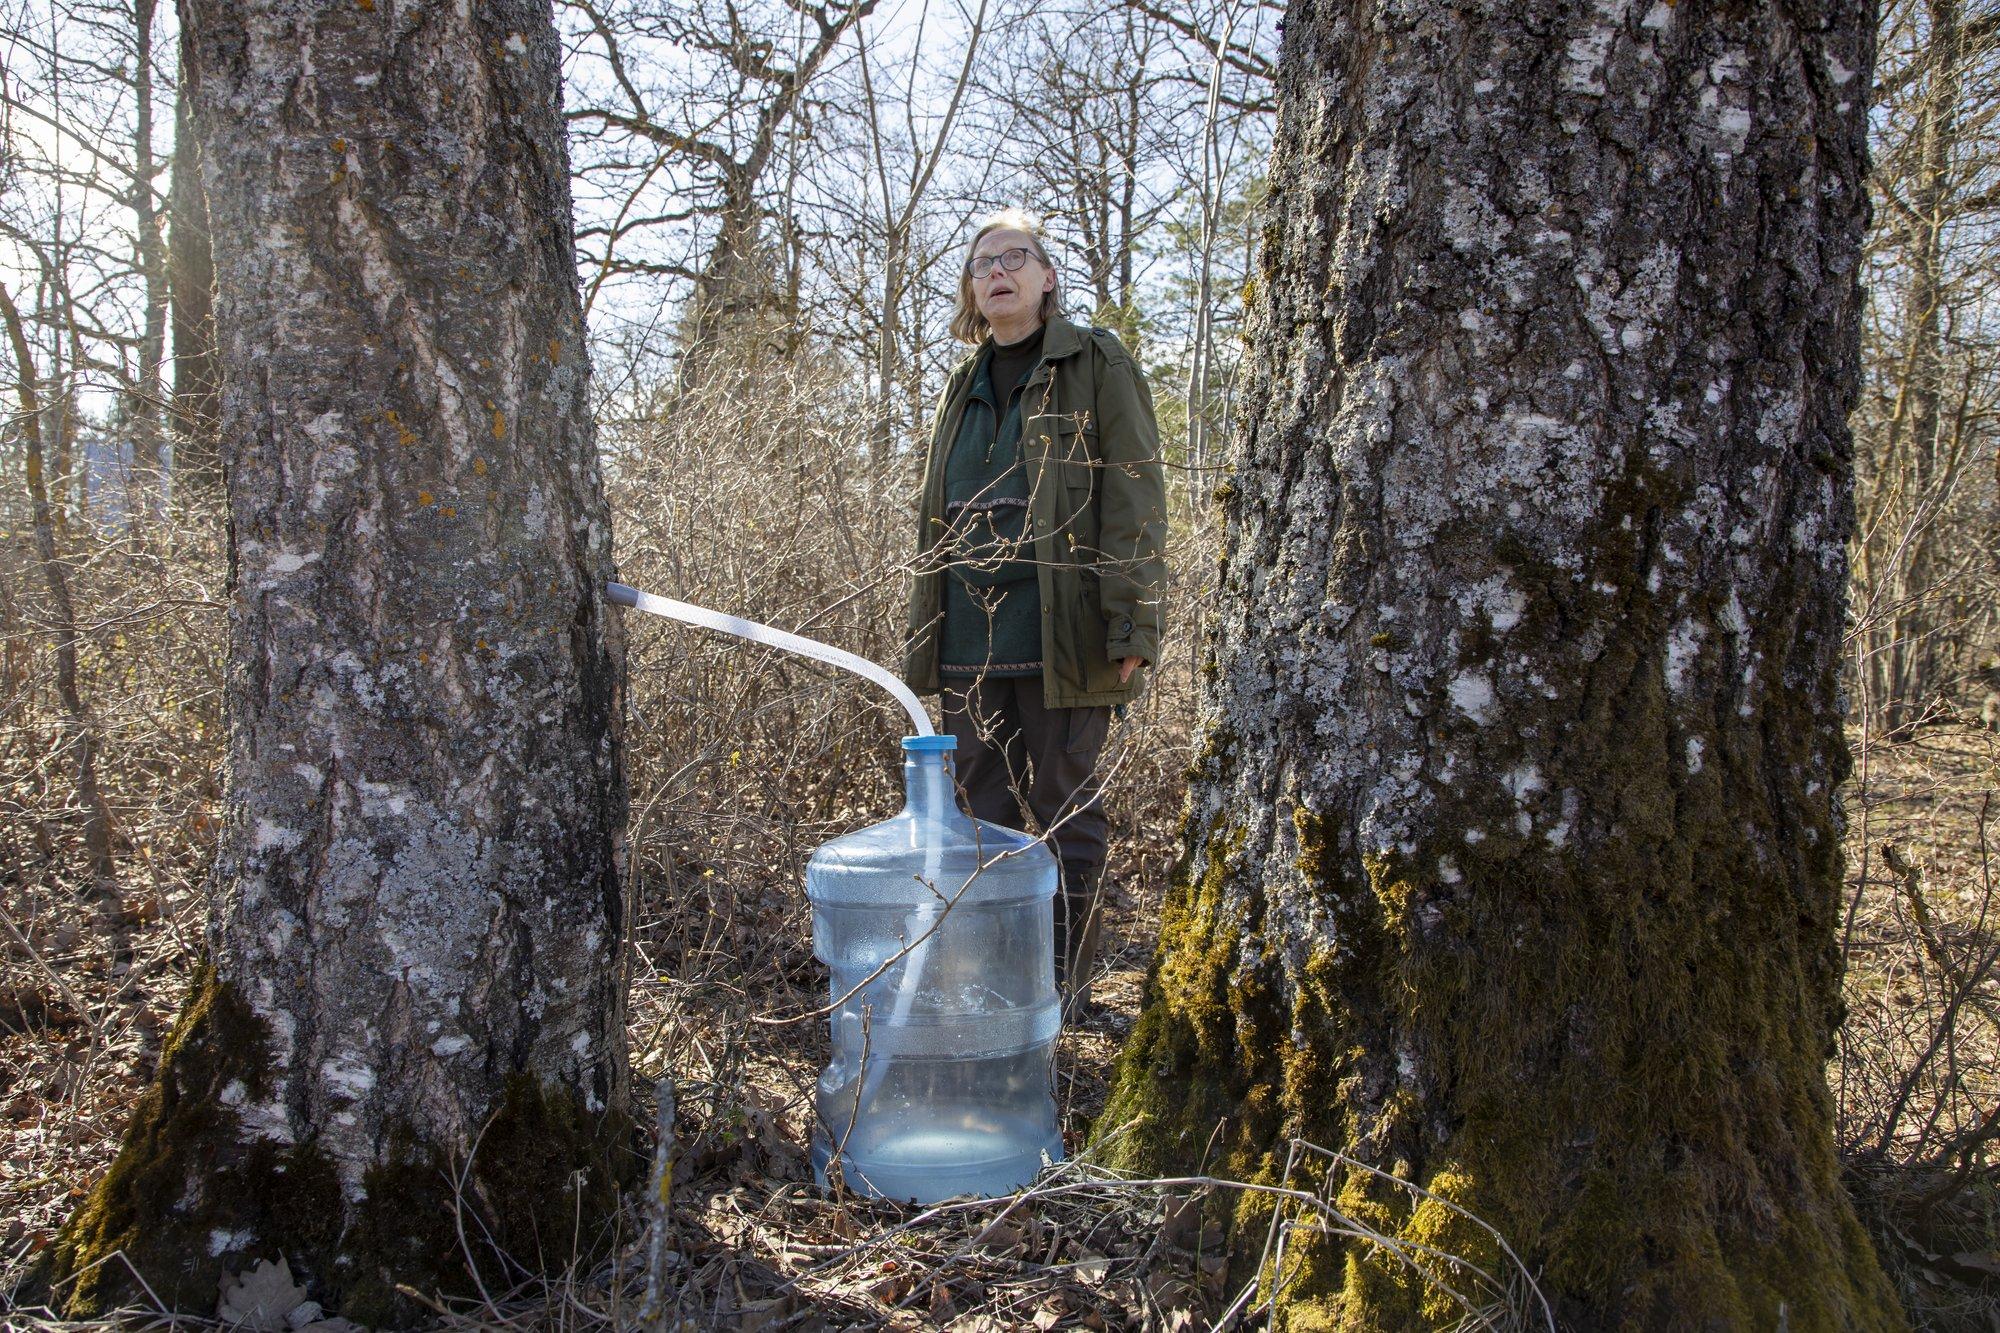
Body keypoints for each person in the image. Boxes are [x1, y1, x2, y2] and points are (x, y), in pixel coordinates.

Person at [903, 210, 1168, 1007]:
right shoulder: (963, 381)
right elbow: (934, 520)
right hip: (968, 646)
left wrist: (1133, 620)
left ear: (1047, 276)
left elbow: (1135, 494)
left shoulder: (1097, 361)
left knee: (1064, 815)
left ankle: (1063, 989)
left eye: (1014, 256)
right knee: (980, 826)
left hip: (1066, 637)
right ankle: (995, 986)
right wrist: (924, 643)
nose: (996, 271)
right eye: (982, 261)